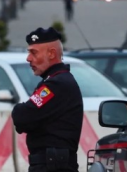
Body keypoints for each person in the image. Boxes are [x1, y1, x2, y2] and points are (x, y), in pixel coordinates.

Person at [12, 27, 83, 172]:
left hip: (53, 166)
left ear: (51, 53)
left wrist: (19, 109)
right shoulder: (55, 80)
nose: (28, 58)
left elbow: (22, 117)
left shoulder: (57, 84)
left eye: (34, 52)